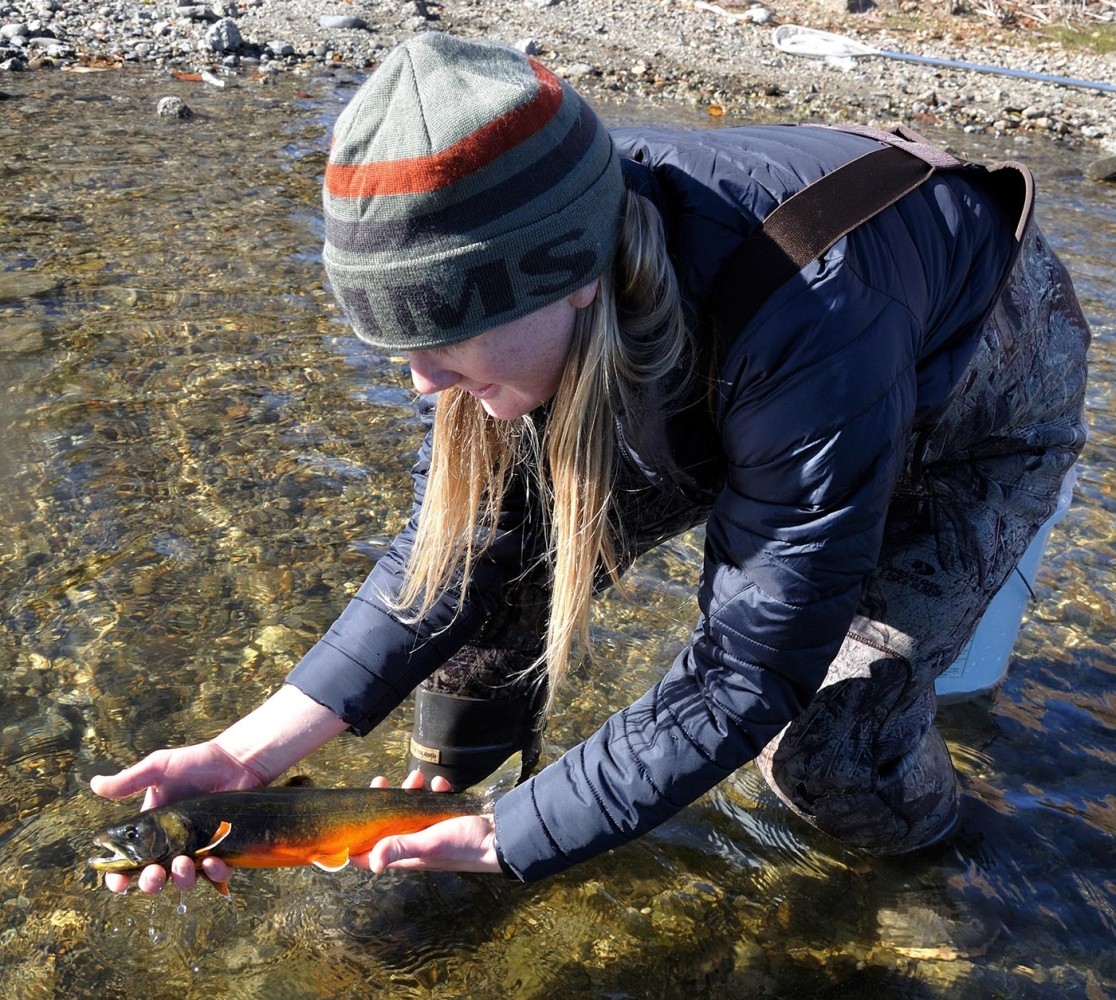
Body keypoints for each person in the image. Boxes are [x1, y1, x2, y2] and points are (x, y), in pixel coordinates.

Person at [91, 31, 1090, 893]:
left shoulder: (811, 322)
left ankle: (952, 874)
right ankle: (432, 860)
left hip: (967, 393)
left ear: (567, 285)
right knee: (484, 589)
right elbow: (440, 561)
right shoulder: (544, 262)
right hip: (716, 354)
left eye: (446, 338)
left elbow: (749, 668)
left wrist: (516, 836)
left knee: (834, 757)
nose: (419, 382)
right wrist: (241, 755)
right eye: (401, 343)